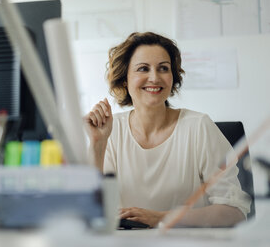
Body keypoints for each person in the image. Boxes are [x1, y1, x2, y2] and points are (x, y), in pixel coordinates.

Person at [84, 32, 251, 228]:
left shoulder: (199, 127)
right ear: (124, 80)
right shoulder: (112, 131)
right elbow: (88, 211)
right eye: (143, 69)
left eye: (163, 68)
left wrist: (162, 218)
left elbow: (235, 212)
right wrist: (98, 143)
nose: (154, 78)